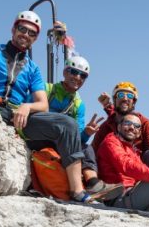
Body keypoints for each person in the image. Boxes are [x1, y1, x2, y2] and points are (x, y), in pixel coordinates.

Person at [0, 0, 93, 201]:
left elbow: (43, 104)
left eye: (31, 33)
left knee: (67, 124)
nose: (26, 34)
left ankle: (78, 191)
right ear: (13, 29)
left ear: (35, 38)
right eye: (22, 29)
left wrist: (26, 106)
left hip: (17, 113)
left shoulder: (32, 69)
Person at [45, 55, 105, 190]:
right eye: (74, 72)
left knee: (86, 147)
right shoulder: (47, 89)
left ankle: (92, 182)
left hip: (61, 144)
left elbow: (77, 139)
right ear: (65, 72)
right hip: (42, 136)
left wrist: (87, 133)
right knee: (67, 123)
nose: (78, 77)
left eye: (83, 75)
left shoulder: (79, 105)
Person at [96, 112, 149, 211]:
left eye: (136, 126)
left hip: (136, 195)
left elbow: (145, 167)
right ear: (118, 127)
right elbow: (126, 165)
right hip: (120, 198)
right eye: (127, 123)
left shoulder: (134, 151)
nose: (131, 127)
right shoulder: (111, 141)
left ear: (139, 133)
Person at [92, 82, 149, 163]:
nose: (125, 98)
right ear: (114, 100)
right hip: (113, 170)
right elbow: (93, 152)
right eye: (120, 95)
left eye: (130, 96)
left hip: (141, 169)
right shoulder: (105, 127)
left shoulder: (144, 123)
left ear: (134, 102)